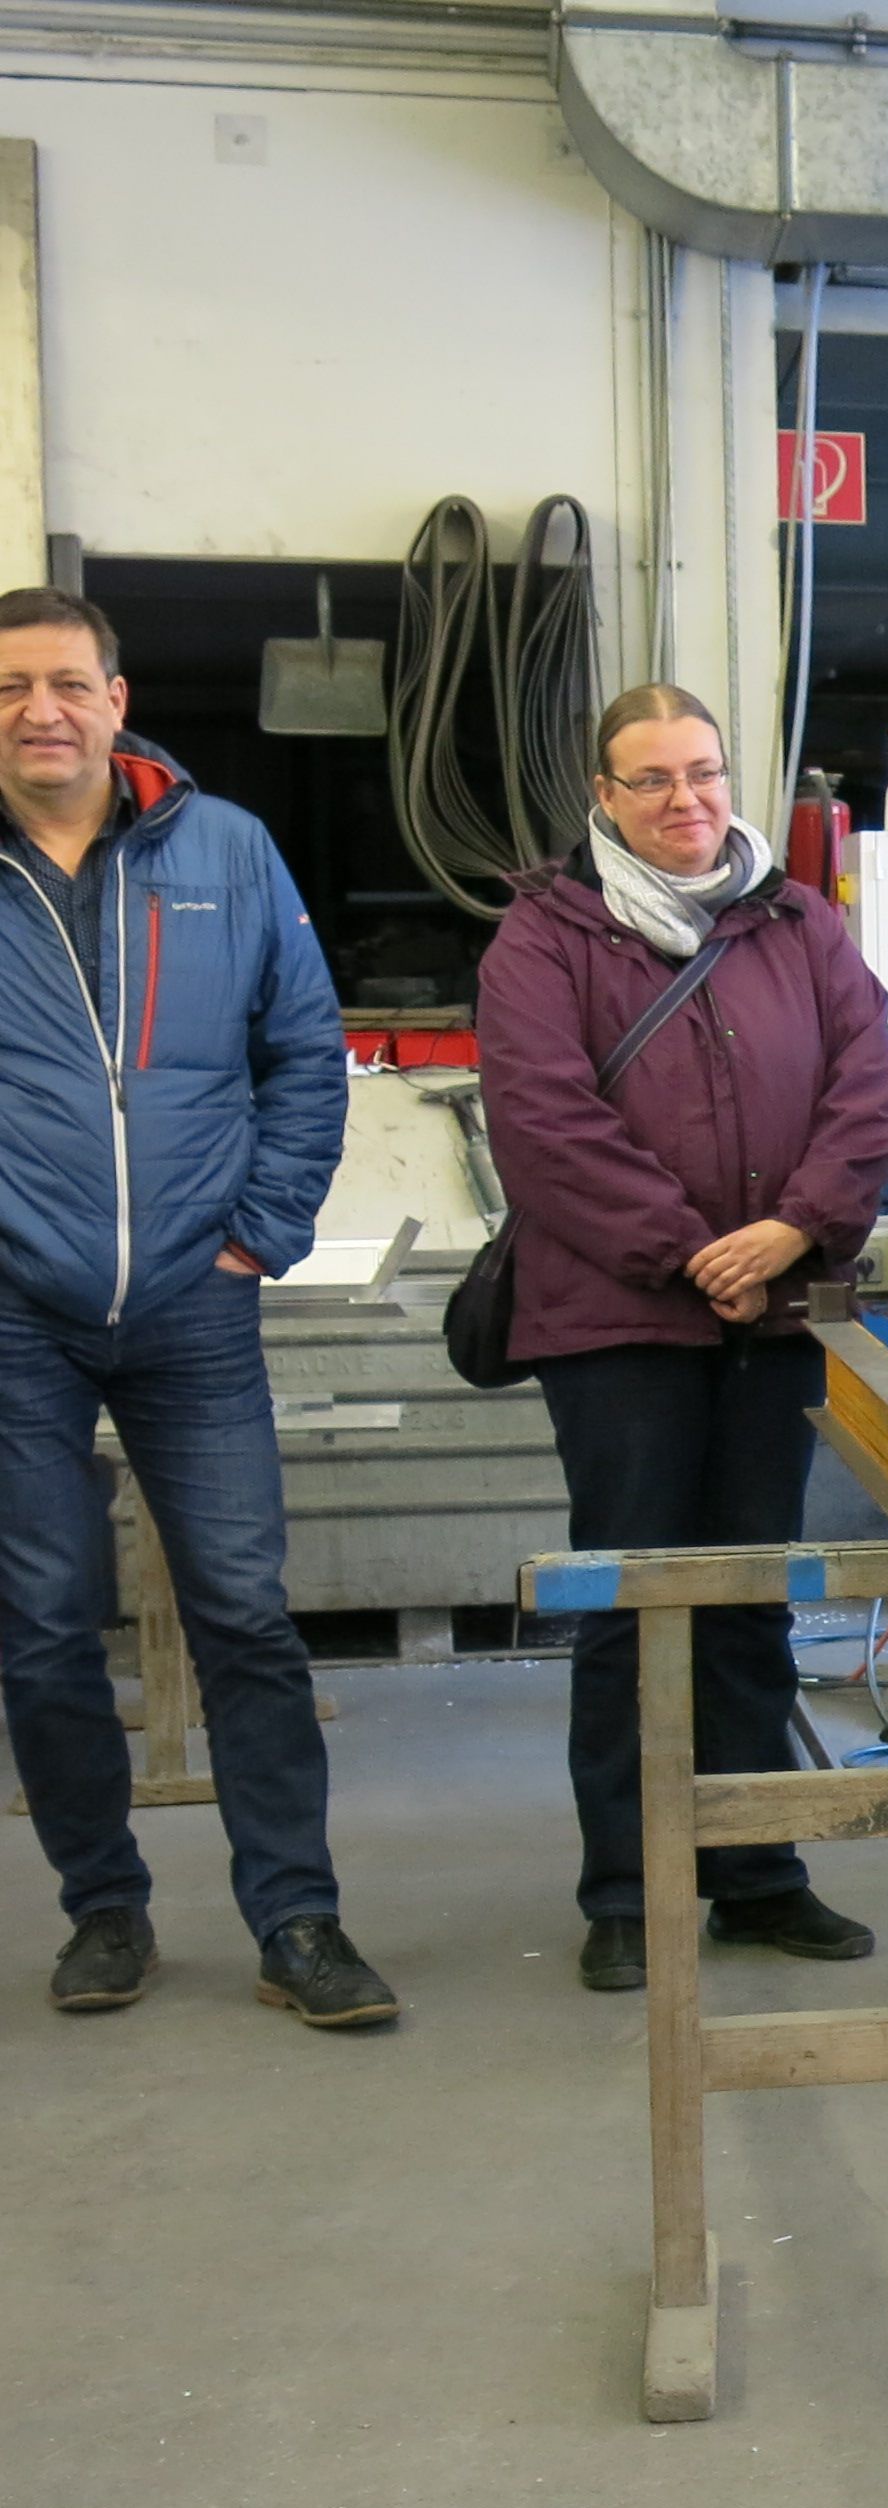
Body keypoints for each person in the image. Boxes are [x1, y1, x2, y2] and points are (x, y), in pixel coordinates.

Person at [0, 584, 393, 2029]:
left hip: (193, 1303)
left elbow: (303, 1048)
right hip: (15, 1319)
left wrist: (258, 1235)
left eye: (64, 682)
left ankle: (298, 1920)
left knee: (243, 1614)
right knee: (42, 1624)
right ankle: (105, 1910)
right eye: (8, 689)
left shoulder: (222, 849)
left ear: (115, 699)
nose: (39, 709)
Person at [477, 682, 888, 1993]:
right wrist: (687, 1252)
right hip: (616, 1325)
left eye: (704, 773)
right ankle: (629, 1888)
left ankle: (759, 1872)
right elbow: (546, 1126)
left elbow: (868, 1087)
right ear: (603, 799)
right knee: (630, 1606)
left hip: (772, 1312)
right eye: (652, 779)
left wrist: (795, 1230)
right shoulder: (542, 941)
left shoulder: (802, 925)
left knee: (749, 1605)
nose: (686, 800)